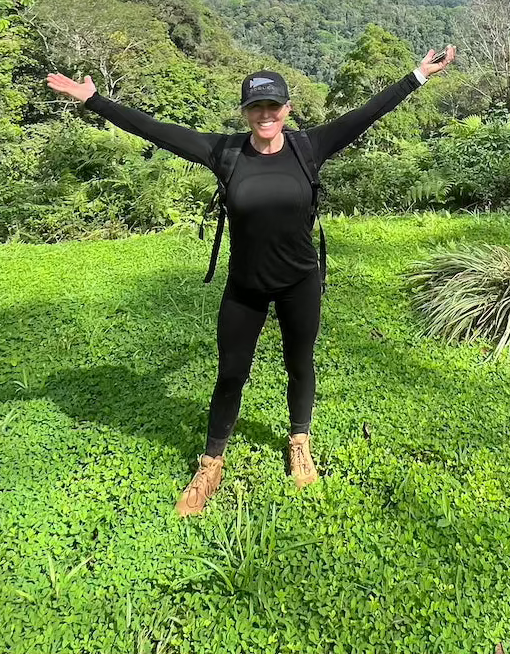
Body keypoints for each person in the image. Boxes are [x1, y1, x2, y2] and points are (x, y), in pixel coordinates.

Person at [46, 44, 456, 516]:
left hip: (299, 282)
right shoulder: (224, 152)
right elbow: (155, 130)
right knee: (231, 374)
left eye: (272, 106)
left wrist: (418, 76)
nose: (265, 114)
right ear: (246, 113)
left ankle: (299, 440)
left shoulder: (309, 147)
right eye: (255, 106)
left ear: (287, 109)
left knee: (300, 364)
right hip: (245, 287)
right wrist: (94, 100)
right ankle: (211, 462)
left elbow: (366, 114)